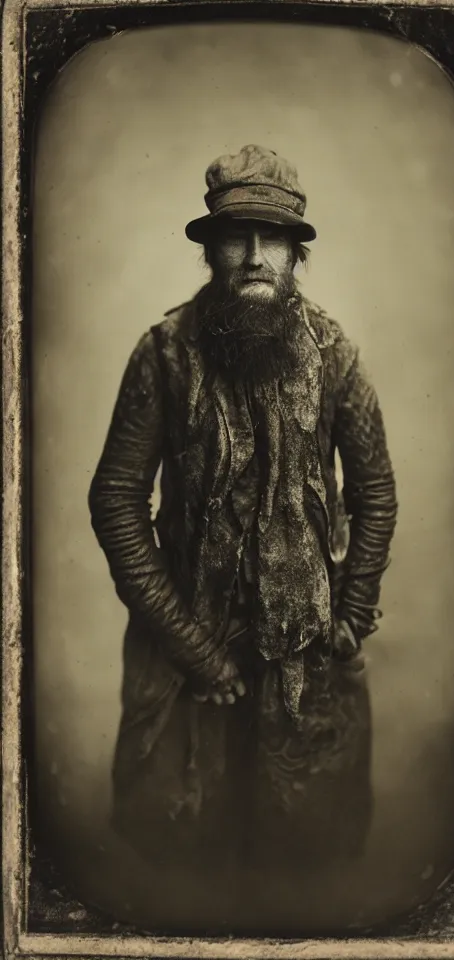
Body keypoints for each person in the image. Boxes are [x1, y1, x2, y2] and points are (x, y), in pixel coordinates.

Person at [88, 144, 398, 929]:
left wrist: (352, 612)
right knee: (188, 864)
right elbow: (118, 499)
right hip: (191, 649)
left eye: (273, 239)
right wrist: (191, 645)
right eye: (236, 237)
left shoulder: (337, 359)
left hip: (306, 661)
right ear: (210, 248)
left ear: (298, 252)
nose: (256, 256)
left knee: (297, 861)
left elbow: (376, 492)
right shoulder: (162, 355)